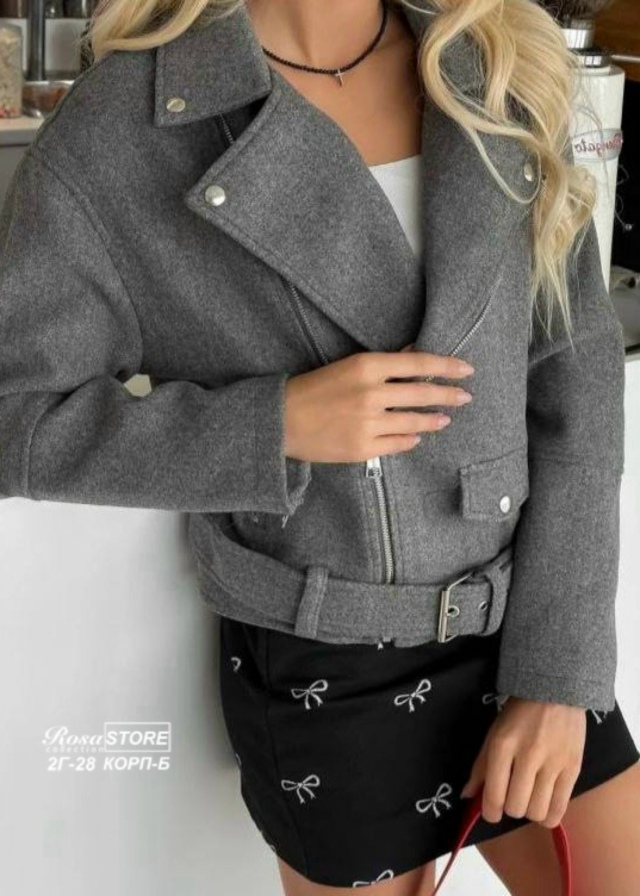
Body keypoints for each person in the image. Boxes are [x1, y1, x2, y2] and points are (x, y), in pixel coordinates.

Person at [1, 0, 639, 893]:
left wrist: (559, 672)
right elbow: (17, 415)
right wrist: (274, 424)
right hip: (327, 662)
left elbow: (577, 381)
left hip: (523, 621)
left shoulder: (493, 67)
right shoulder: (131, 119)